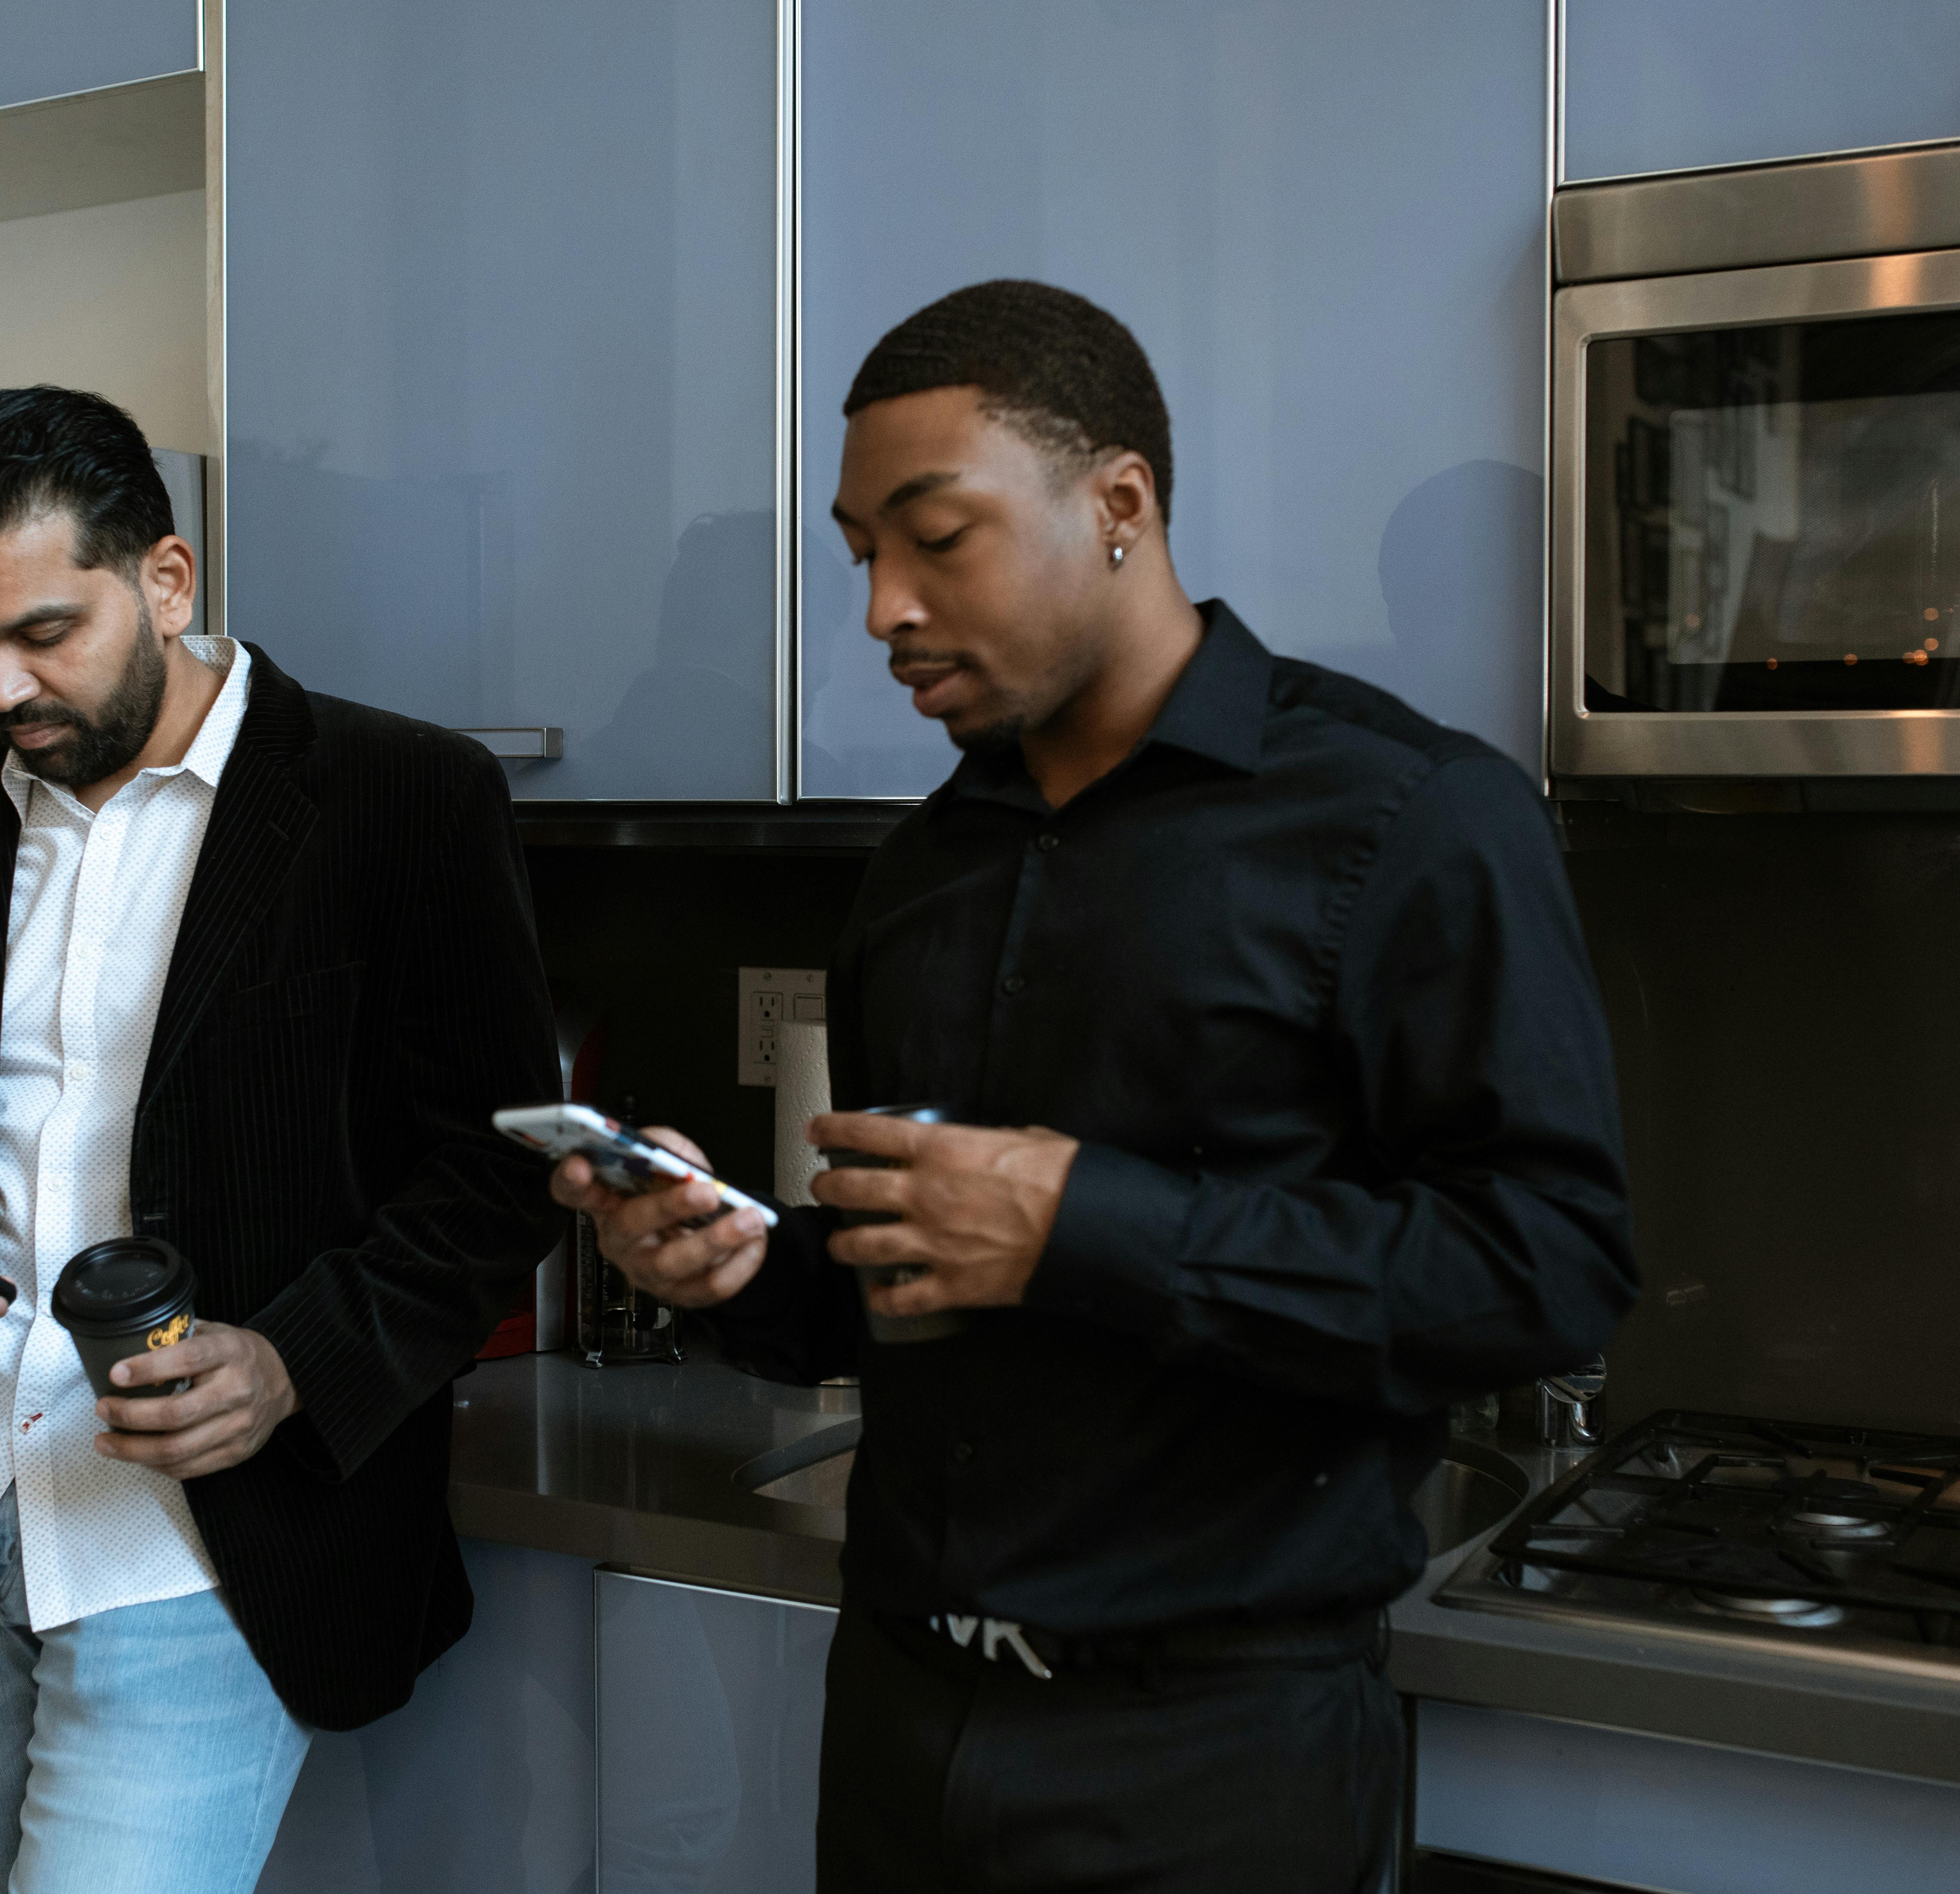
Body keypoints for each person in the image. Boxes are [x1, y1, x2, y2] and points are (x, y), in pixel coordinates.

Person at [552, 281, 1635, 1893]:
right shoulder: (917, 873)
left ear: (1117, 503)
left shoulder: (1408, 817)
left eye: (938, 537)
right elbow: (901, 1293)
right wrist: (743, 1264)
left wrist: (1086, 1223)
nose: (882, 610)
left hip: (1213, 1762)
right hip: (903, 1723)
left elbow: (1548, 1268)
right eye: (864, 553)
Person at [0, 386, 563, 1893]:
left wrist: (295, 1357)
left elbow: (499, 1169)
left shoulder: (397, 795)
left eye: (41, 632)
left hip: (205, 1559)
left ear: (166, 576)